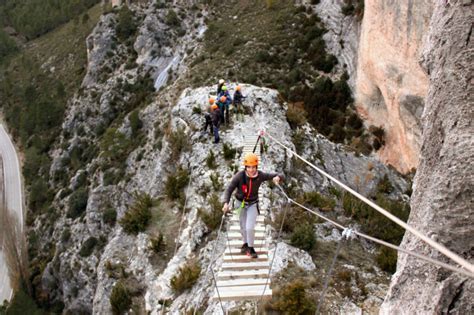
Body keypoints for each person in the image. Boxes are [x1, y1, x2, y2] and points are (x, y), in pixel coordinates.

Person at [222, 153, 284, 258]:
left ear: (256, 167)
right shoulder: (239, 176)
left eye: (253, 167)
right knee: (242, 227)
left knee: (249, 227)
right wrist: (225, 203)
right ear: (245, 167)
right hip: (239, 204)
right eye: (249, 167)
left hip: (252, 204)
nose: (251, 170)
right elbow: (229, 190)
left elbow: (280, 174)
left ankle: (250, 248)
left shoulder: (260, 175)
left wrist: (278, 177)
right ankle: (245, 244)